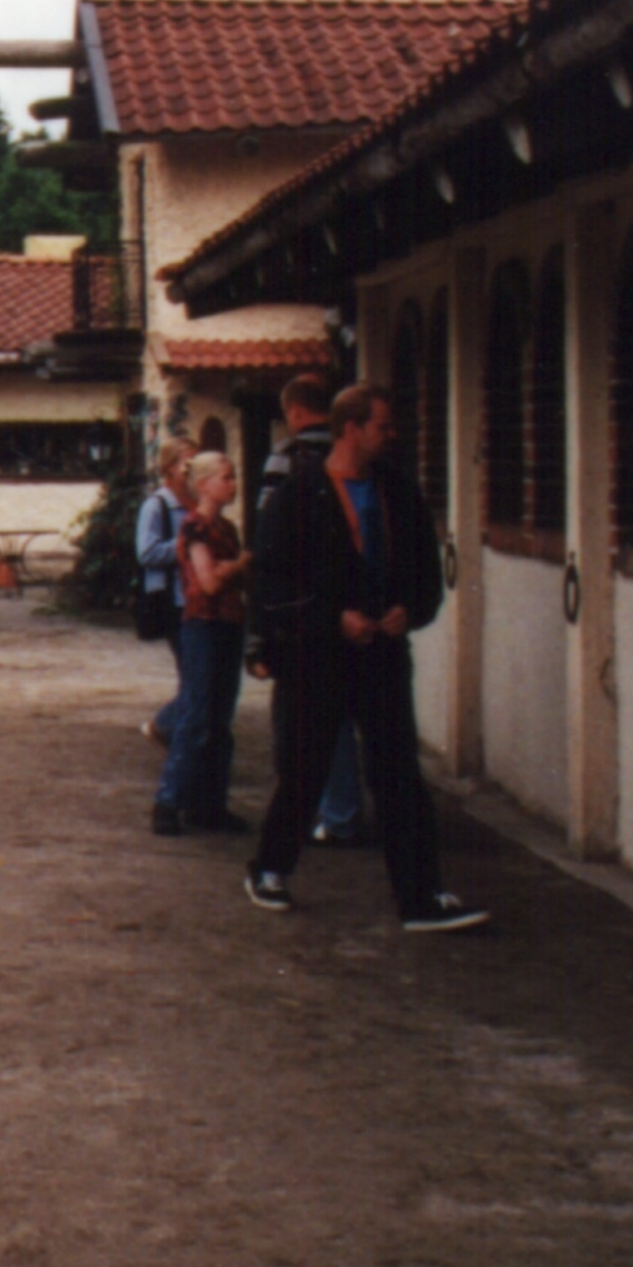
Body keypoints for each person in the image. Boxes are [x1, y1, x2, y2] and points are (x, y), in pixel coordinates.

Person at [242, 386, 487, 932]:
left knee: (398, 774)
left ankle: (420, 898)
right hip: (318, 658)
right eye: (383, 426)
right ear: (351, 428)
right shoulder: (300, 494)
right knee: (305, 769)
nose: (392, 435)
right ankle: (269, 868)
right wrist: (331, 618)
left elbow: (425, 572)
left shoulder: (398, 493)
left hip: (381, 655)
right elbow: (272, 582)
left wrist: (409, 610)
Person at [245, 374, 370, 840]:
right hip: (357, 599)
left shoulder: (288, 456)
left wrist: (262, 627)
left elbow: (267, 539)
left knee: (303, 715)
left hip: (305, 603)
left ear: (295, 411)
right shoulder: (351, 455)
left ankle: (324, 812)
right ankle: (345, 809)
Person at [150, 454, 247, 835]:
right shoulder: (195, 526)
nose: (233, 484)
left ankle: (210, 805)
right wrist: (240, 566)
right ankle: (168, 801)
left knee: (220, 719)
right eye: (226, 477)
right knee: (196, 715)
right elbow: (209, 582)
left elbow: (227, 578)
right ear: (204, 483)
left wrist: (233, 570)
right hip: (203, 626)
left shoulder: (225, 528)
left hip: (228, 623)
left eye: (233, 476)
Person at [134, 439, 194, 747]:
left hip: (195, 598)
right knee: (194, 677)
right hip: (173, 599)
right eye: (188, 463)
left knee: (194, 676)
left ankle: (180, 733)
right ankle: (167, 726)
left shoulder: (192, 503)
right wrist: (184, 548)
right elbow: (146, 552)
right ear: (171, 467)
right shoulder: (156, 505)